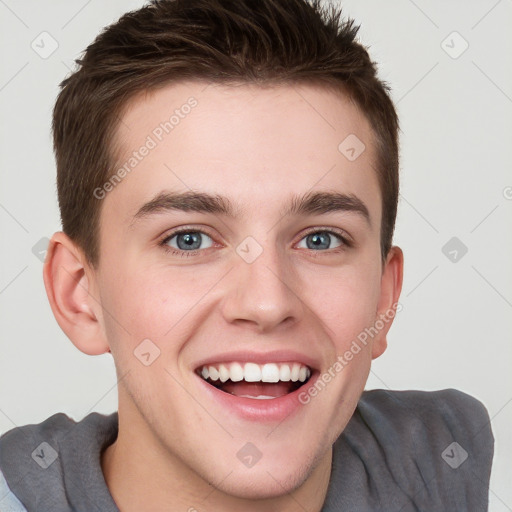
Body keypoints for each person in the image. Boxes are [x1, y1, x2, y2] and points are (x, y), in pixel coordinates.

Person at [0, 0, 494, 510]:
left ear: (384, 300)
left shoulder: (440, 461)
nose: (266, 303)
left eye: (320, 239)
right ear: (80, 294)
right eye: (188, 239)